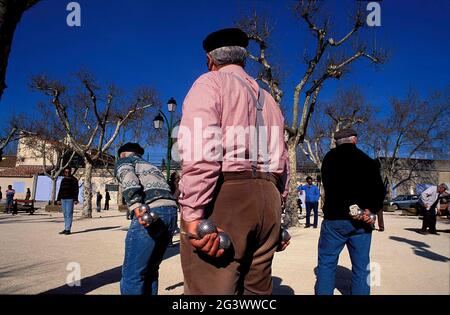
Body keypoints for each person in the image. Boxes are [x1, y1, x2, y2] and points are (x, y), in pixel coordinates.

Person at [177, 27, 290, 295]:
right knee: (257, 293)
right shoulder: (270, 100)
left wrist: (192, 212)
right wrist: (278, 209)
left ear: (210, 60)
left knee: (209, 289)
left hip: (228, 197)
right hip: (269, 197)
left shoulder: (209, 83)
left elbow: (200, 151)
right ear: (243, 59)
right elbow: (283, 159)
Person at [316, 128, 385, 295]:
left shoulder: (328, 159)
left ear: (336, 142)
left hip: (334, 218)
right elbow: (380, 191)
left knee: (326, 264)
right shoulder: (368, 161)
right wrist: (372, 210)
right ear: (355, 140)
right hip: (362, 219)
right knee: (362, 267)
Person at [115, 142, 178, 295]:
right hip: (171, 212)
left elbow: (128, 177)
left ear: (122, 154)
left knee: (133, 274)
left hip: (150, 211)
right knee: (151, 269)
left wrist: (135, 205)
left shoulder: (125, 161)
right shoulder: (152, 166)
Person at [56, 167, 79, 235]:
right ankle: (66, 228)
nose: (67, 173)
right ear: (64, 172)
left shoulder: (74, 180)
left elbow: (76, 190)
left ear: (70, 172)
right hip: (63, 198)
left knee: (69, 214)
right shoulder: (63, 180)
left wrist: (75, 199)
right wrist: (58, 199)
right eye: (66, 172)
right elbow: (60, 190)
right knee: (65, 214)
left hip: (70, 199)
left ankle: (68, 229)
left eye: (68, 172)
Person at [168, 172, 181, 247]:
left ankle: (169, 241)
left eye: (179, 177)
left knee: (173, 223)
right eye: (177, 178)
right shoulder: (170, 184)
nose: (179, 179)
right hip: (170, 203)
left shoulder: (179, 185)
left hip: (175, 205)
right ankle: (168, 241)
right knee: (170, 223)